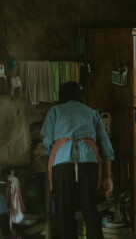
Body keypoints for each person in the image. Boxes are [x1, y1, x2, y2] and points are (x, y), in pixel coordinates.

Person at [41, 81, 114, 239]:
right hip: (88, 163)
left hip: (62, 164)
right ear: (81, 96)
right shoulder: (91, 112)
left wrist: (53, 150)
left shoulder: (55, 111)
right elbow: (106, 147)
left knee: (65, 213)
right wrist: (108, 177)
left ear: (62, 96)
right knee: (90, 209)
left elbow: (47, 143)